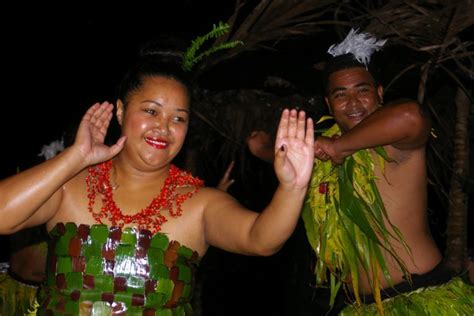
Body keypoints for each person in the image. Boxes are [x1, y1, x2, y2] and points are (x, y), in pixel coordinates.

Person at [0, 51, 314, 315]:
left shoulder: (199, 203)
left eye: (178, 118)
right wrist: (75, 157)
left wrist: (293, 187)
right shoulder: (70, 185)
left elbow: (260, 238)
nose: (163, 128)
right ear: (121, 111)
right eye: (151, 111)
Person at [305, 29, 473, 314]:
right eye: (341, 95)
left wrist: (338, 148)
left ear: (379, 93)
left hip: (421, 297)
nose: (353, 103)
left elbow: (410, 116)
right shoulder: (321, 154)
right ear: (328, 104)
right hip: (360, 307)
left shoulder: (395, 144)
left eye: (363, 90)